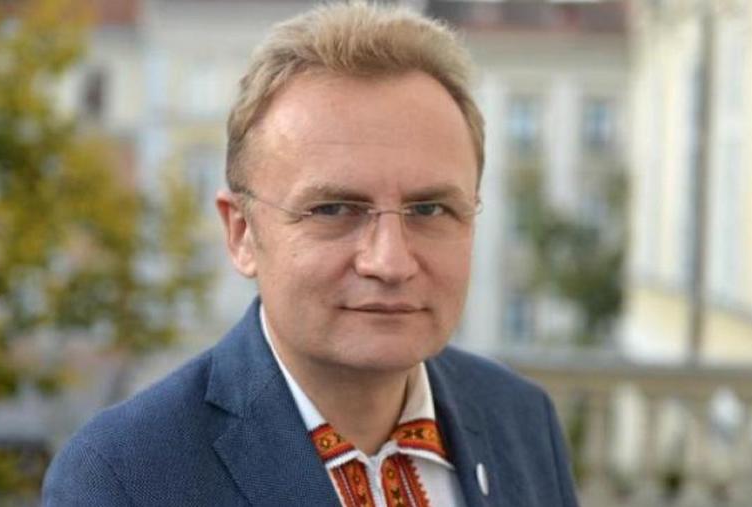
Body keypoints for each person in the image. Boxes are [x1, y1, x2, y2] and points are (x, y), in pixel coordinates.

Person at [42, 2, 579, 506]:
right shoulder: (125, 477)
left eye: (430, 209)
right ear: (242, 233)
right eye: (334, 209)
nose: (390, 262)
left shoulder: (522, 420)